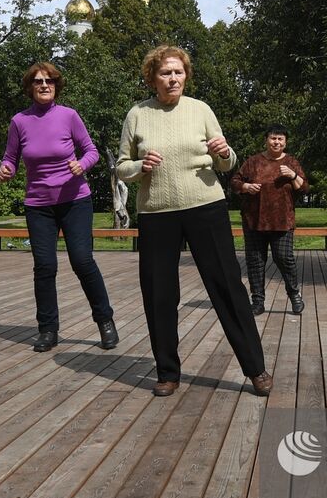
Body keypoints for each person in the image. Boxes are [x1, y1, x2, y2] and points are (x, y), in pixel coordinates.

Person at [117, 45, 270, 398]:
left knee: (228, 288)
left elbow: (227, 162)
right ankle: (167, 372)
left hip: (205, 208)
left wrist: (223, 152)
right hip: (157, 213)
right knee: (159, 294)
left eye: (178, 72)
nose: (173, 79)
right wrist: (141, 167)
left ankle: (256, 369)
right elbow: (122, 167)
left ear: (186, 76)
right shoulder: (137, 115)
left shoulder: (200, 110)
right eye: (165, 73)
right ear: (152, 78)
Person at [0, 61, 116, 353]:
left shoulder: (69, 116)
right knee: (45, 267)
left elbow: (91, 151)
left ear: (56, 85)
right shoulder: (19, 122)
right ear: (30, 87)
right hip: (38, 205)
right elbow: (10, 158)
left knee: (82, 260)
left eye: (49, 80)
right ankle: (48, 329)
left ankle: (105, 321)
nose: (44, 85)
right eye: (38, 81)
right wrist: (5, 169)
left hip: (75, 200)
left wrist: (81, 164)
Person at [232, 124, 308, 315]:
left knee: (284, 258)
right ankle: (257, 302)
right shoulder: (253, 161)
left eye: (280, 139)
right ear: (266, 140)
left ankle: (294, 295)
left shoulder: (291, 162)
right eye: (273, 138)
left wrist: (293, 175)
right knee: (255, 261)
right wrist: (246, 187)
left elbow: (304, 188)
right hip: (254, 220)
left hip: (282, 220)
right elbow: (234, 182)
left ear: (285, 142)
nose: (276, 142)